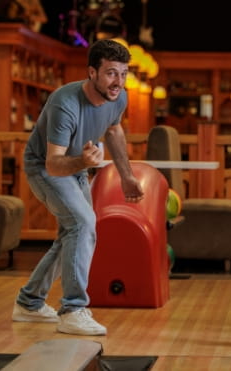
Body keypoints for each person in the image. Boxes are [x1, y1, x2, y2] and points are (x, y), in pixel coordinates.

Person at [12, 39, 144, 336]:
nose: (118, 82)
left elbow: (113, 129)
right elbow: (53, 164)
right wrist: (83, 161)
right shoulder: (64, 103)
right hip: (45, 167)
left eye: (123, 74)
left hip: (77, 168)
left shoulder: (117, 98)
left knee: (74, 233)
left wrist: (126, 175)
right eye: (111, 73)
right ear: (92, 72)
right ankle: (72, 309)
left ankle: (29, 303)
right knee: (83, 225)